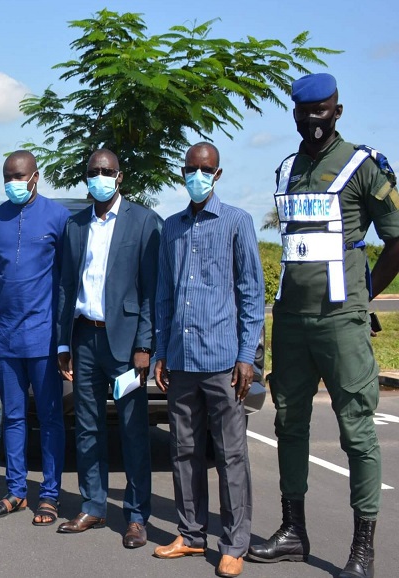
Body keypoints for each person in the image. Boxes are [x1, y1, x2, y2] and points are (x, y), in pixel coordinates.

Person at [246, 73, 399, 578]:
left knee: (357, 430)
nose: (312, 119)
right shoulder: (288, 168)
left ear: (337, 110)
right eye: (304, 111)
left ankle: (362, 549)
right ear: (294, 114)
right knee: (289, 422)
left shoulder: (363, 165)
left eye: (322, 109)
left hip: (341, 321)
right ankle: (293, 531)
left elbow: (397, 238)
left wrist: (365, 294)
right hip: (291, 319)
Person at [151, 143, 263, 577]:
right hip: (181, 360)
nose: (198, 175)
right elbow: (164, 294)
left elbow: (251, 293)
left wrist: (246, 356)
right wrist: (161, 351)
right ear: (184, 173)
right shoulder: (172, 228)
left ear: (217, 174)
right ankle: (191, 534)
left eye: (206, 169)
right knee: (184, 451)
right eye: (191, 169)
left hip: (223, 362)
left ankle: (235, 543)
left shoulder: (237, 222)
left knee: (231, 455)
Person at [55, 149, 161, 548]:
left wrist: (144, 345)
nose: (99, 177)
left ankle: (135, 516)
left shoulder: (144, 221)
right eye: (93, 172)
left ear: (120, 177)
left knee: (133, 430)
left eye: (107, 171)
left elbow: (151, 291)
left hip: (125, 343)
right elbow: (66, 284)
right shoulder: (76, 224)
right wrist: (63, 341)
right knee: (86, 428)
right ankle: (93, 506)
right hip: (83, 338)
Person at [0, 151, 69, 525]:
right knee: (13, 417)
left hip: (44, 336)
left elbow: (66, 276)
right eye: (7, 177)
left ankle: (49, 495)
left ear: (36, 176)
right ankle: (16, 491)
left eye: (19, 176)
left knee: (49, 417)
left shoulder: (58, 216)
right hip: (5, 335)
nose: (13, 183)